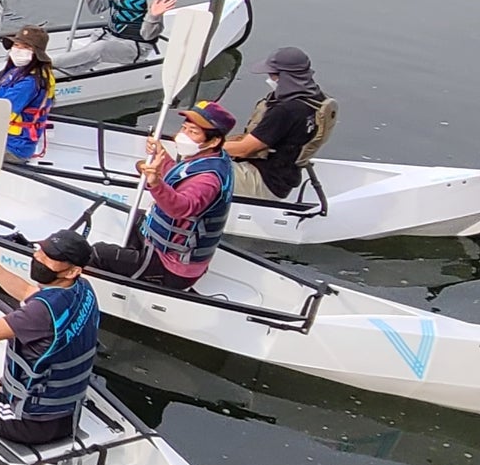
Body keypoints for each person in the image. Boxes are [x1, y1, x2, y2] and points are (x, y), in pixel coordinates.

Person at [0, 229, 100, 449]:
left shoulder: (40, 313)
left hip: (25, 423)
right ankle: (0, 386)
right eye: (39, 250)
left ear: (72, 270)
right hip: (68, 416)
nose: (38, 257)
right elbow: (26, 291)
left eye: (48, 257)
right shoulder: (82, 290)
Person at [88, 100, 237, 290]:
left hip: (172, 267)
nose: (183, 136)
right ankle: (129, 262)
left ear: (214, 141)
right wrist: (161, 154)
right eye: (184, 128)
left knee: (97, 253)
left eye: (193, 132)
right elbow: (177, 176)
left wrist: (155, 182)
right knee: (139, 218)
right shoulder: (207, 158)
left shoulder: (208, 180)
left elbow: (181, 208)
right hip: (161, 248)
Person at [224, 46, 333, 200]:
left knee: (192, 170)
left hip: (264, 182)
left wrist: (203, 147)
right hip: (284, 178)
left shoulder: (285, 111)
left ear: (285, 77)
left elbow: (244, 150)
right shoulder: (315, 99)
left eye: (272, 74)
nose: (270, 79)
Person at [53, 0, 179, 76]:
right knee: (90, 55)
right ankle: (53, 75)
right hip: (110, 35)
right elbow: (97, 8)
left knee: (99, 48)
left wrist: (154, 16)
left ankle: (46, 62)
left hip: (135, 46)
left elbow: (147, 36)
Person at [0, 26, 57, 162]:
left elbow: (0, 111)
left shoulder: (30, 83)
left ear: (36, 53)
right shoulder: (17, 71)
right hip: (1, 140)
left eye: (26, 47)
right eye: (16, 44)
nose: (18, 50)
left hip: (12, 148)